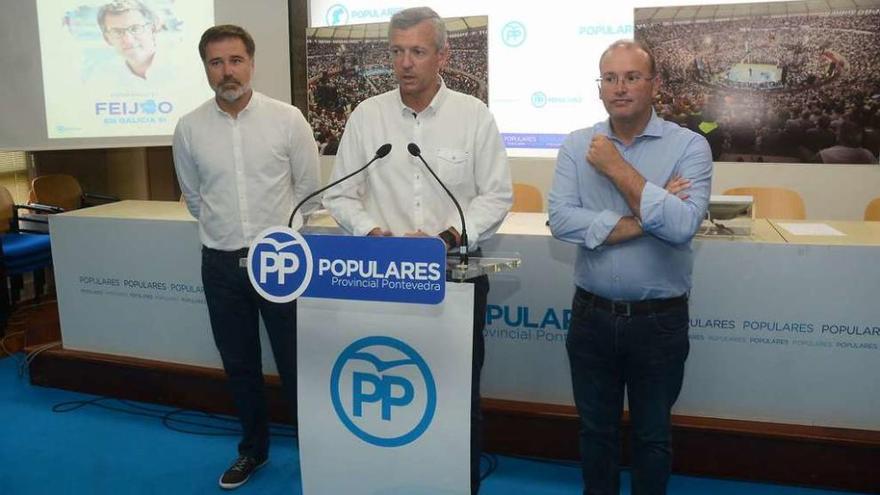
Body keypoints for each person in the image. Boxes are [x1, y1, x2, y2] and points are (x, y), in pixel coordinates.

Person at [322, 7, 512, 494]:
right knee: (389, 387)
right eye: (397, 51)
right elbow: (339, 194)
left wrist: (445, 238)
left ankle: (458, 483)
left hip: (455, 276)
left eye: (417, 51)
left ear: (442, 56)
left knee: (455, 392)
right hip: (383, 279)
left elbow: (496, 196)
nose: (405, 63)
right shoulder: (368, 116)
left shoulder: (473, 116)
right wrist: (371, 234)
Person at [548, 40, 712, 495]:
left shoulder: (689, 146)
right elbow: (561, 220)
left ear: (654, 84)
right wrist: (647, 215)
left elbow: (682, 227)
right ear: (599, 87)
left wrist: (618, 168)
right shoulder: (576, 145)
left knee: (652, 438)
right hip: (591, 317)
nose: (620, 88)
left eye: (632, 77)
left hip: (658, 322)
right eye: (610, 78)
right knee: (595, 433)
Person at [172, 24, 320, 490]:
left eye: (235, 60)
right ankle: (252, 451)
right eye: (216, 63)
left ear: (251, 63)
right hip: (219, 264)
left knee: (296, 365)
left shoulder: (288, 119)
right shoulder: (189, 128)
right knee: (239, 366)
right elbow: (194, 197)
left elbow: (309, 193)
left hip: (281, 263)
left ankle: (317, 453)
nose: (227, 71)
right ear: (206, 69)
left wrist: (282, 240)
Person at [96, 0, 161, 80]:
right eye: (117, 32)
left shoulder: (178, 64)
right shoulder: (104, 78)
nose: (128, 40)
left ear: (152, 30)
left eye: (135, 28)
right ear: (107, 39)